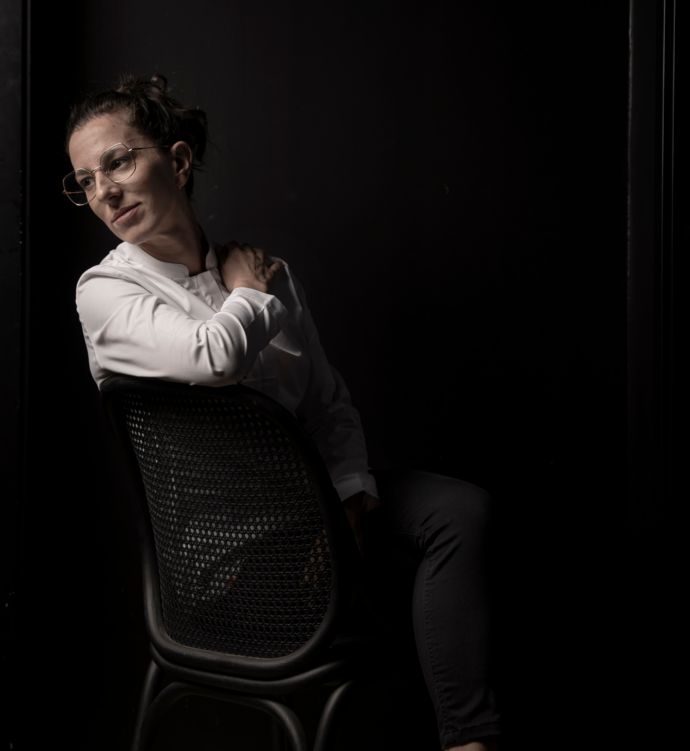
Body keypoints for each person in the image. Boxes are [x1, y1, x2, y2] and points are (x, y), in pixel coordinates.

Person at [67, 73, 501, 751]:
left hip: (318, 523)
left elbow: (328, 405)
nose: (104, 192)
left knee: (459, 512)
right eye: (86, 181)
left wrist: (350, 502)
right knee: (417, 583)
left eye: (117, 163)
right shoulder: (106, 291)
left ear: (177, 162)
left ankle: (469, 744)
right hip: (231, 569)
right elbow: (215, 356)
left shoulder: (270, 277)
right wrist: (249, 295)